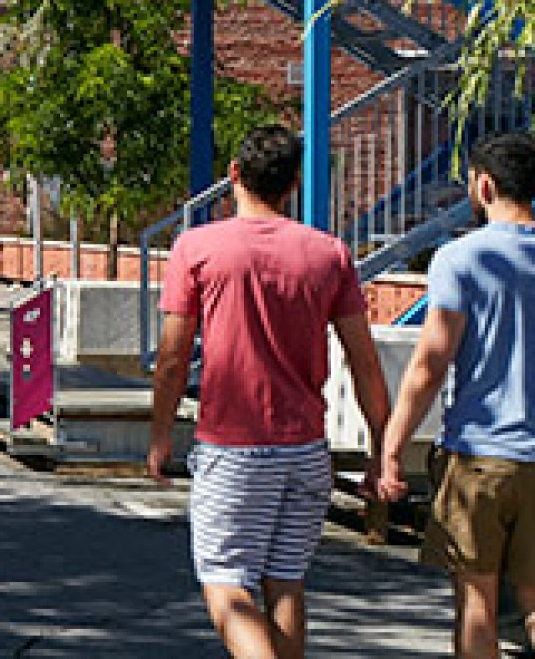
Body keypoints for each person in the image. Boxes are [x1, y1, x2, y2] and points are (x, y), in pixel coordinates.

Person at [147, 125, 390, 659]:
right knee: (285, 583)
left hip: (233, 449)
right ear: (293, 184)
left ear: (234, 174)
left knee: (225, 586)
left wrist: (161, 436)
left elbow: (171, 359)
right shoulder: (329, 255)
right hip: (305, 450)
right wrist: (381, 451)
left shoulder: (197, 248)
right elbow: (365, 362)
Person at [372, 130, 535, 659]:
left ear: (482, 186)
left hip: (479, 456)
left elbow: (431, 363)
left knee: (477, 607)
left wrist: (391, 448)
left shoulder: (460, 259)